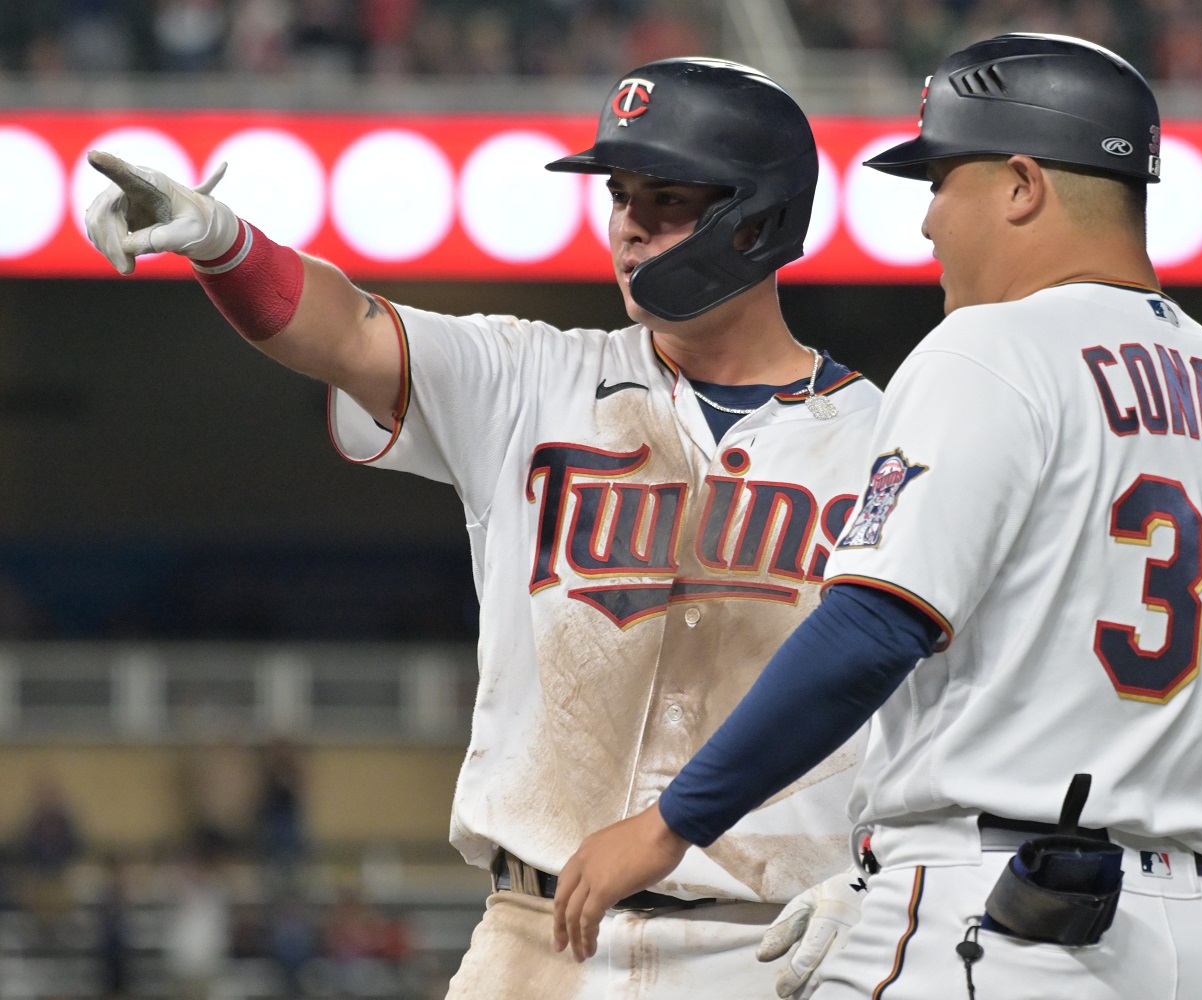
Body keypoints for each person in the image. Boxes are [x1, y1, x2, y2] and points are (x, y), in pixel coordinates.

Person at [552, 34, 1202, 1000]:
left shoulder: (990, 347)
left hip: (1003, 920)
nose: (930, 223)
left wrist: (667, 825)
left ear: (1022, 185)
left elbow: (869, 629)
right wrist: (1182, 825)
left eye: (943, 181)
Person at [83, 57, 884, 998]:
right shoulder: (529, 378)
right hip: (538, 939)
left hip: (776, 950)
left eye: (666, 199)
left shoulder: (885, 437)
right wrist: (224, 245)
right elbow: (346, 330)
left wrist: (893, 877)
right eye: (621, 196)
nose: (628, 225)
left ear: (760, 214)